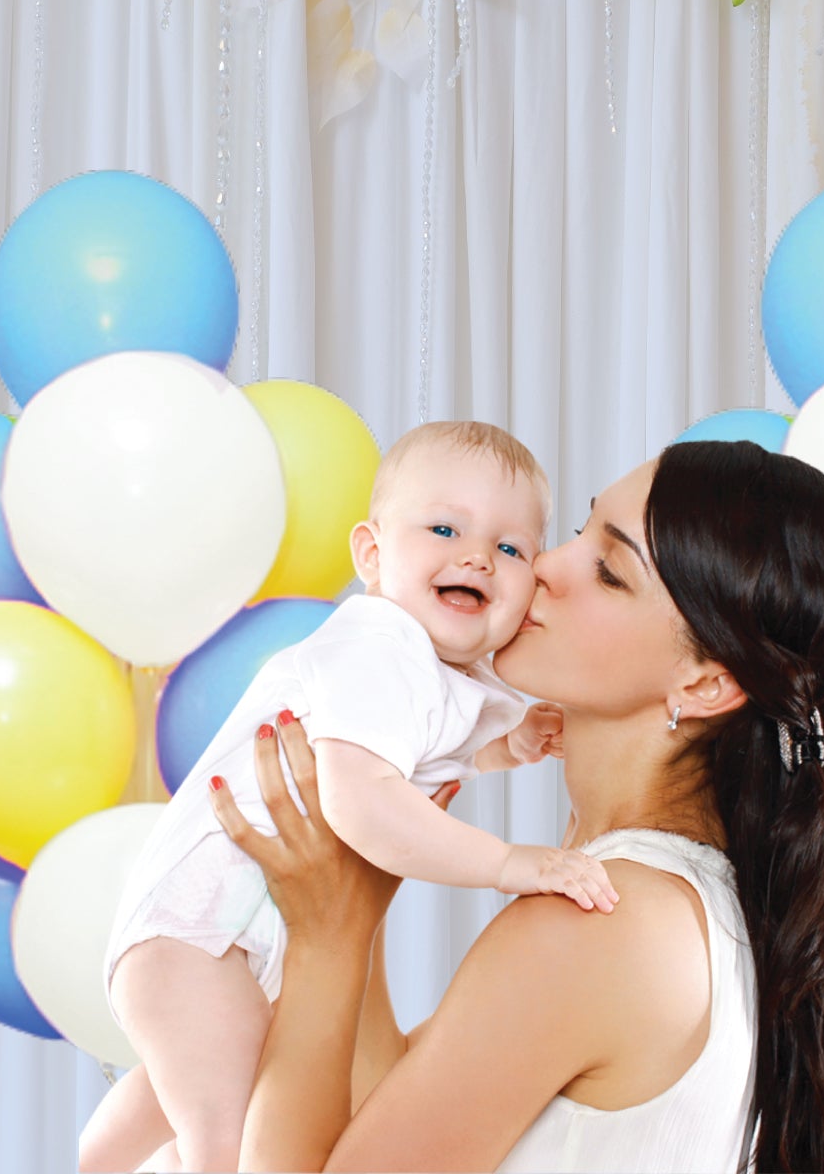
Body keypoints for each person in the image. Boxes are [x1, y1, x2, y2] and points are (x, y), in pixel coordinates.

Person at [210, 438, 824, 1174]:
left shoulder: (600, 922)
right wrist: (359, 893)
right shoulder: (681, 907)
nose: (541, 566)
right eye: (577, 530)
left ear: (704, 684)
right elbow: (383, 1119)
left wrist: (327, 941)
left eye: (609, 570)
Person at [79, 421, 619, 1174]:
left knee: (208, 1075)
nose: (475, 556)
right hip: (196, 932)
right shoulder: (377, 645)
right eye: (443, 529)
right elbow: (362, 803)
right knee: (226, 1141)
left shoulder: (435, 671)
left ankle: (98, 1159)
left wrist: (510, 744)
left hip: (229, 939)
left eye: (509, 548)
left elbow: (426, 752)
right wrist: (508, 864)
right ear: (371, 554)